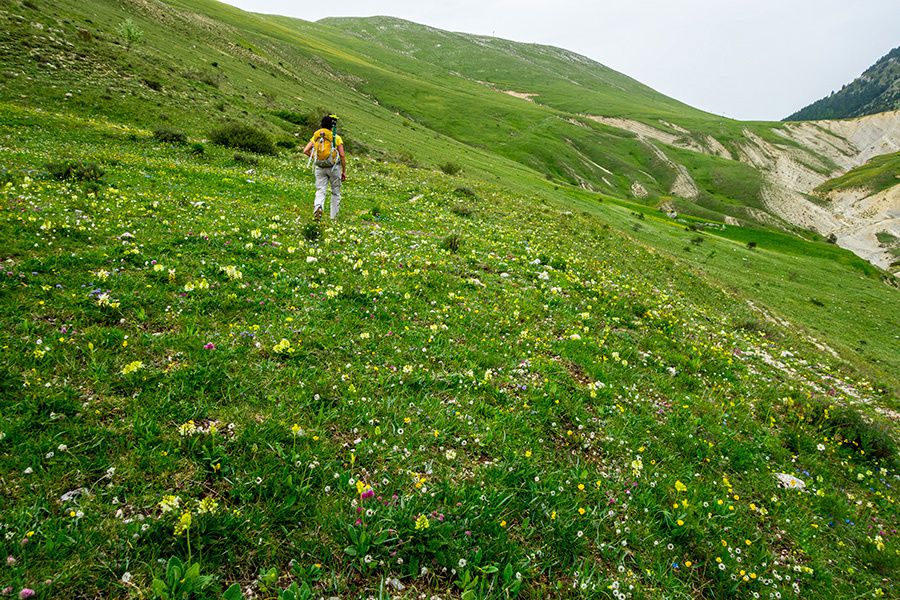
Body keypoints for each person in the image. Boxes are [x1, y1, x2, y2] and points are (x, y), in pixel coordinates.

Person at [303, 114, 346, 221]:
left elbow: (305, 150)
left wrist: (317, 158)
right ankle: (333, 217)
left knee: (320, 190)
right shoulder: (336, 137)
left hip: (320, 167)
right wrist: (344, 171)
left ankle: (318, 207)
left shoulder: (317, 135)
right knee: (335, 192)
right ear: (332, 126)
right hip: (333, 167)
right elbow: (342, 155)